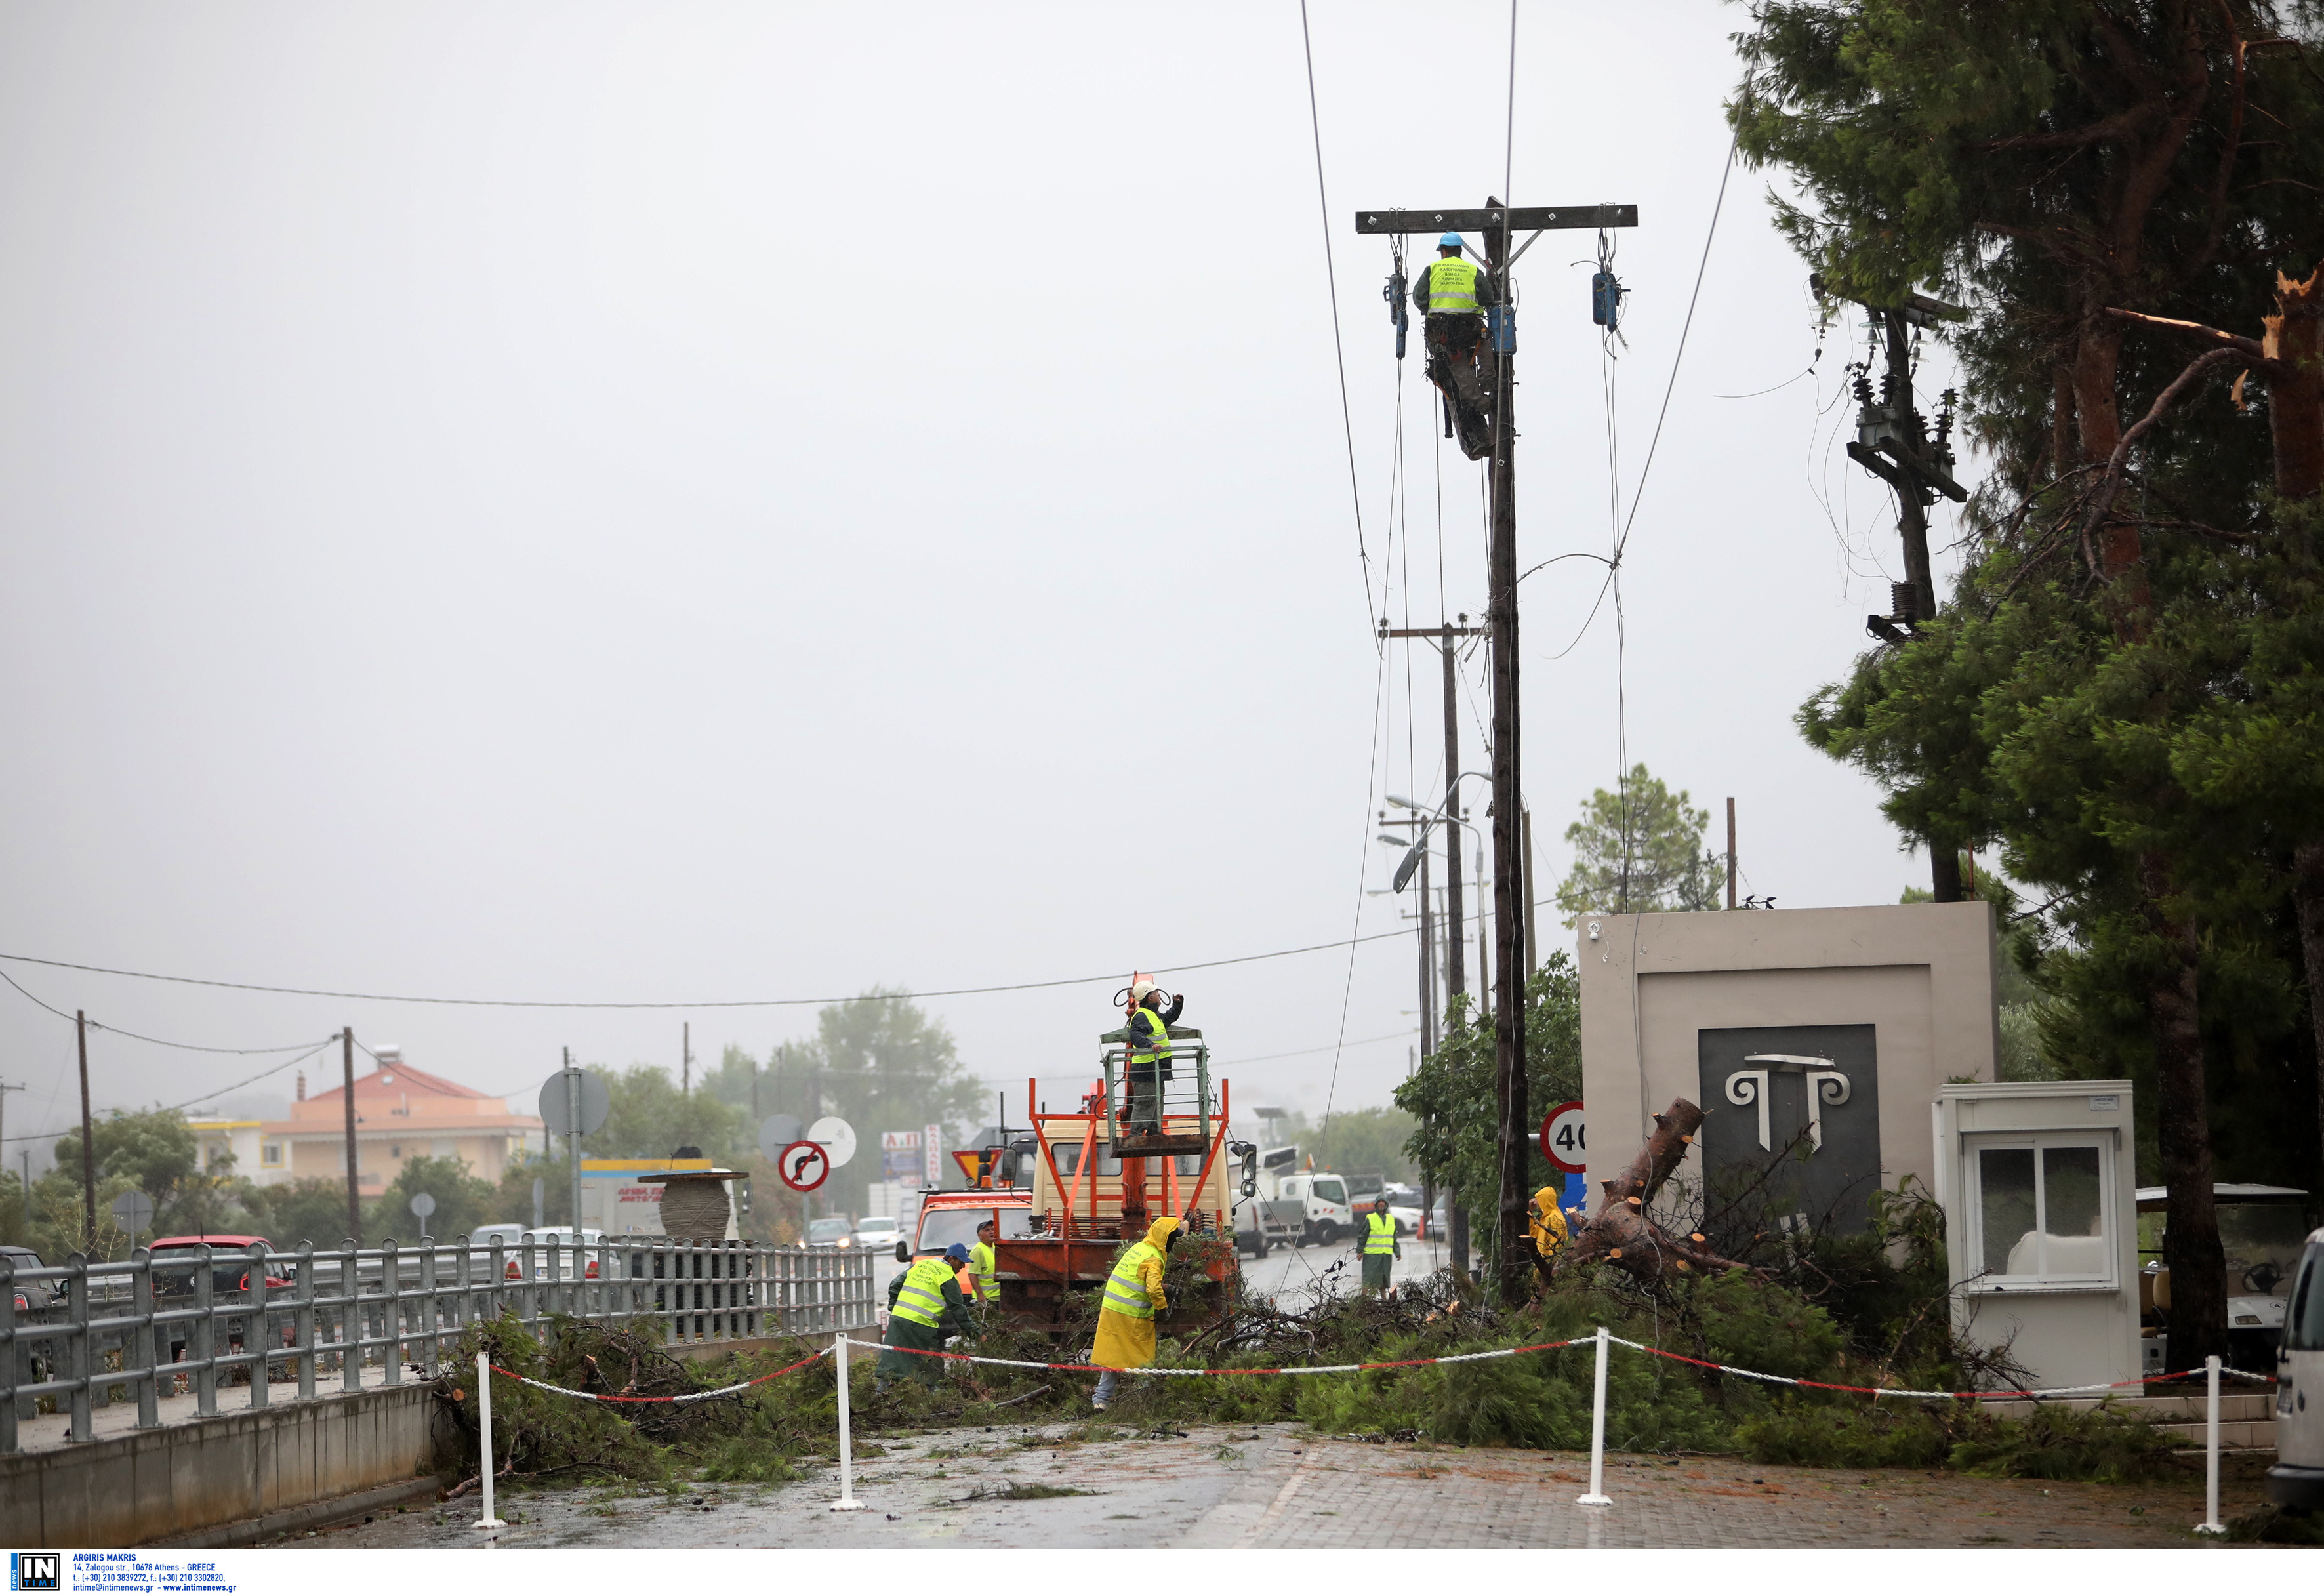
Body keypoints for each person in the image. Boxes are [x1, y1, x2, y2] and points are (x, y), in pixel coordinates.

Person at [1411, 232, 1499, 460]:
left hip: (1443, 334)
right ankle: (1490, 383)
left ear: (1443, 251)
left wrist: (1435, 307)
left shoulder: (1432, 269)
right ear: (1460, 251)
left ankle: (1483, 406)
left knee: (1456, 377)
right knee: (1479, 349)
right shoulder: (1472, 271)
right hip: (1470, 330)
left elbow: (1419, 299)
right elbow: (1487, 298)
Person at [1090, 1214, 1181, 1410]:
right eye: (1173, 1238)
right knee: (1144, 1359)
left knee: (1113, 1355)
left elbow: (1137, 1279)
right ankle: (1144, 1400)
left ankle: (1101, 1400)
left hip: (1112, 1311)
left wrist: (1167, 1287)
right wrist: (1162, 1310)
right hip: (1132, 1317)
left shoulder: (1139, 1249)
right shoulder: (1154, 1258)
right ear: (1165, 1239)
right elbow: (1153, 1289)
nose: (1174, 1242)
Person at [876, 1242, 976, 1391]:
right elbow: (959, 1310)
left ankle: (880, 1398)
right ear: (951, 1259)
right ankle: (939, 1405)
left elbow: (895, 1285)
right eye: (961, 1262)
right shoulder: (948, 1276)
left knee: (892, 1363)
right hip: (921, 1326)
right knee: (931, 1368)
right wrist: (976, 1334)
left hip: (898, 1320)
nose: (962, 1267)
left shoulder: (921, 1265)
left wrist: (894, 1308)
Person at [1124, 978, 1185, 1137]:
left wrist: (1177, 1005)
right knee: (1145, 1103)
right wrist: (1150, 1045)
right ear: (1150, 997)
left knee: (1157, 1103)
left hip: (1156, 1068)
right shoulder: (1142, 1016)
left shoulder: (1153, 1015)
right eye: (1156, 993)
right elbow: (1135, 1034)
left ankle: (1153, 1133)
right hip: (1146, 1068)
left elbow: (1168, 1018)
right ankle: (1135, 1136)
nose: (1159, 995)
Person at [1526, 1184, 1570, 1285]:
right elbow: (1533, 1233)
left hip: (1549, 1271)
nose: (1536, 1203)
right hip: (1543, 1268)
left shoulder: (1554, 1218)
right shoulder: (1546, 1219)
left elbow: (1556, 1247)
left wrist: (1552, 1270)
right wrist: (1529, 1212)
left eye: (1539, 1199)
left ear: (1545, 1201)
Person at [1358, 1197, 1402, 1294]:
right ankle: (1363, 1301)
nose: (1381, 1204)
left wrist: (1397, 1252)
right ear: (1376, 1205)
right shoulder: (1371, 1218)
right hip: (1371, 1256)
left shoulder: (1390, 1219)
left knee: (1384, 1280)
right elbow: (1363, 1235)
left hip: (1386, 1255)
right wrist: (1360, 1250)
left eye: (1383, 1202)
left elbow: (1394, 1238)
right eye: (1379, 1202)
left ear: (1386, 1205)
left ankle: (1384, 1301)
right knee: (1368, 1279)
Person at [968, 1218, 1000, 1305]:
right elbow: (972, 1274)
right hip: (987, 1299)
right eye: (987, 1230)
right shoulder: (978, 1251)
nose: (991, 1232)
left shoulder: (995, 1247)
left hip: (997, 1297)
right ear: (980, 1235)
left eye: (992, 1229)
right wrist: (980, 1294)